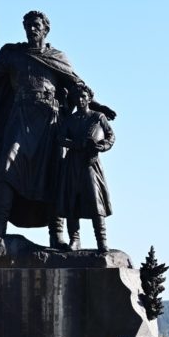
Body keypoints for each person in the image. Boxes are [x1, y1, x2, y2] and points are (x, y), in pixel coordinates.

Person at [0, 11, 114, 247]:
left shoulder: (57, 57)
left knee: (54, 174)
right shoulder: (13, 54)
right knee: (7, 164)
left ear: (45, 29)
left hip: (50, 121)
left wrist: (97, 106)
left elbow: (77, 86)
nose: (31, 30)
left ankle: (56, 234)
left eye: (35, 25)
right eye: (27, 26)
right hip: (20, 117)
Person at [56, 85, 114, 251]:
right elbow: (60, 138)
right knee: (72, 200)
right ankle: (75, 239)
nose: (80, 100)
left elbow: (111, 136)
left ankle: (102, 241)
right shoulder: (70, 120)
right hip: (73, 162)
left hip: (90, 162)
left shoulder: (98, 117)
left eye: (83, 97)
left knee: (96, 201)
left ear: (89, 98)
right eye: (77, 98)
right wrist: (75, 144)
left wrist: (100, 146)